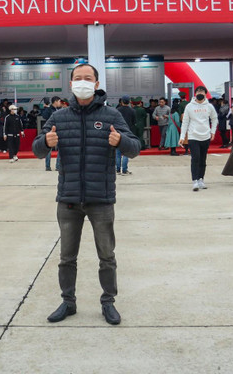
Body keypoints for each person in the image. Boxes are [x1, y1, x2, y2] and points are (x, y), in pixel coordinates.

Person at [32, 63, 140, 326]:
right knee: (67, 257)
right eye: (78, 78)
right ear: (71, 84)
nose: (82, 82)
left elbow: (135, 147)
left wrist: (121, 142)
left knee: (106, 256)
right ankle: (68, 302)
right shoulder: (58, 117)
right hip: (68, 200)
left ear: (96, 83)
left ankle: (108, 302)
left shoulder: (112, 115)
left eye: (87, 78)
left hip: (100, 199)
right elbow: (37, 149)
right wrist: (46, 143)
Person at [180, 85, 218, 191]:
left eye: (202, 91)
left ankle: (201, 179)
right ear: (195, 94)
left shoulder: (209, 106)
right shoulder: (189, 106)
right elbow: (185, 122)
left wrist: (212, 132)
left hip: (205, 136)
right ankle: (195, 180)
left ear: (206, 94)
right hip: (193, 136)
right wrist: (182, 136)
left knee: (203, 159)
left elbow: (214, 119)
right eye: (198, 91)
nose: (200, 93)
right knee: (195, 158)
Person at [116, 95, 136, 174]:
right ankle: (124, 170)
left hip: (118, 132)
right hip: (128, 132)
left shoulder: (117, 110)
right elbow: (134, 122)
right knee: (126, 152)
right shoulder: (132, 111)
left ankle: (117, 169)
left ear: (121, 102)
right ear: (129, 102)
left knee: (117, 152)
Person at [41, 96, 62, 171]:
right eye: (59, 101)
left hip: (59, 130)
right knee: (48, 149)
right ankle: (47, 166)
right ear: (55, 101)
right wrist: (46, 108)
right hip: (50, 131)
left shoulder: (59, 109)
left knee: (60, 148)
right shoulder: (49, 109)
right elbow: (44, 116)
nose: (60, 103)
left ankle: (58, 165)